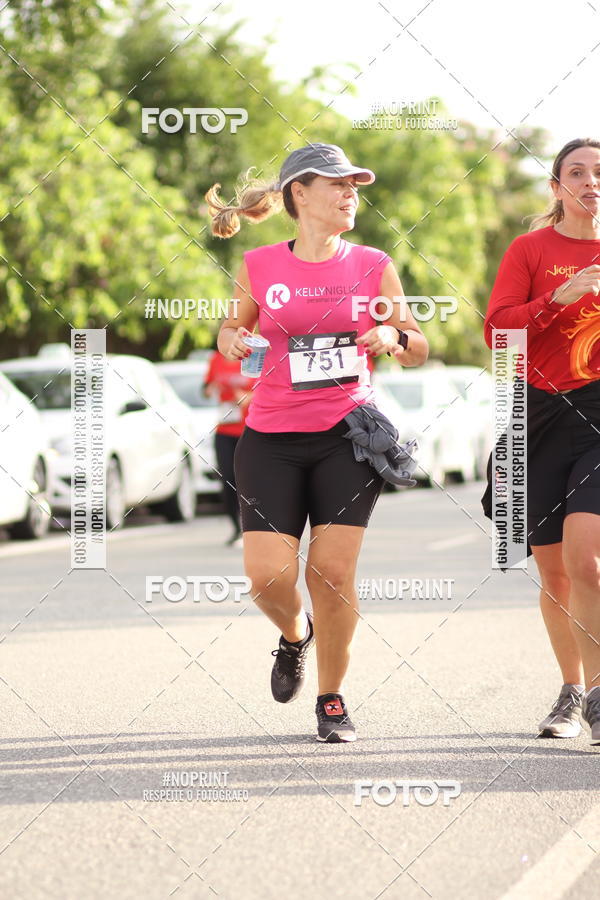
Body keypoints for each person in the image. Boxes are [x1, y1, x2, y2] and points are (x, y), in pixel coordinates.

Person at [206, 143, 428, 742]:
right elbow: (235, 327)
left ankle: (332, 699)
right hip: (271, 437)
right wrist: (229, 339)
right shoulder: (258, 265)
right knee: (266, 577)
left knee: (331, 572)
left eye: (356, 183)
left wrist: (392, 334)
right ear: (299, 193)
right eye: (338, 183)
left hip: (346, 439)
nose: (351, 192)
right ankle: (294, 634)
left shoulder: (374, 264)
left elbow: (417, 344)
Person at [484, 137, 600, 745]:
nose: (589, 181)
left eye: (598, 172)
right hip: (540, 413)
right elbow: (496, 331)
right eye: (575, 173)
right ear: (557, 188)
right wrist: (557, 299)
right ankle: (572, 691)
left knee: (589, 561)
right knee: (555, 572)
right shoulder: (532, 250)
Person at [203, 350, 253, 545]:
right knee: (227, 478)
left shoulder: (253, 355)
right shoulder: (216, 359)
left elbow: (267, 389)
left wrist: (248, 397)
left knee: (249, 480)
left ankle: (255, 526)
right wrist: (210, 389)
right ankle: (237, 527)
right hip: (224, 429)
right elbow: (206, 390)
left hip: (249, 429)